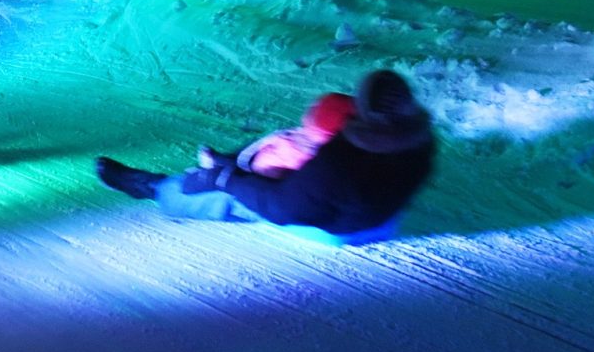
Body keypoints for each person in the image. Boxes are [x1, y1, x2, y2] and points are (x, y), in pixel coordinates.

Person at [96, 69, 435, 236]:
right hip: (383, 215)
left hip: (343, 225)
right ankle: (228, 166)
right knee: (281, 148)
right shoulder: (421, 139)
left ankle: (156, 188)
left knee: (219, 193)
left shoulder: (340, 162)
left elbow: (282, 207)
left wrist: (227, 180)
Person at [199, 91, 356, 178]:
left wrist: (220, 164)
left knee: (188, 187)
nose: (309, 111)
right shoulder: (302, 136)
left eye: (314, 111)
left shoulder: (297, 160)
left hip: (249, 176)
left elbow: (256, 181)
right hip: (256, 156)